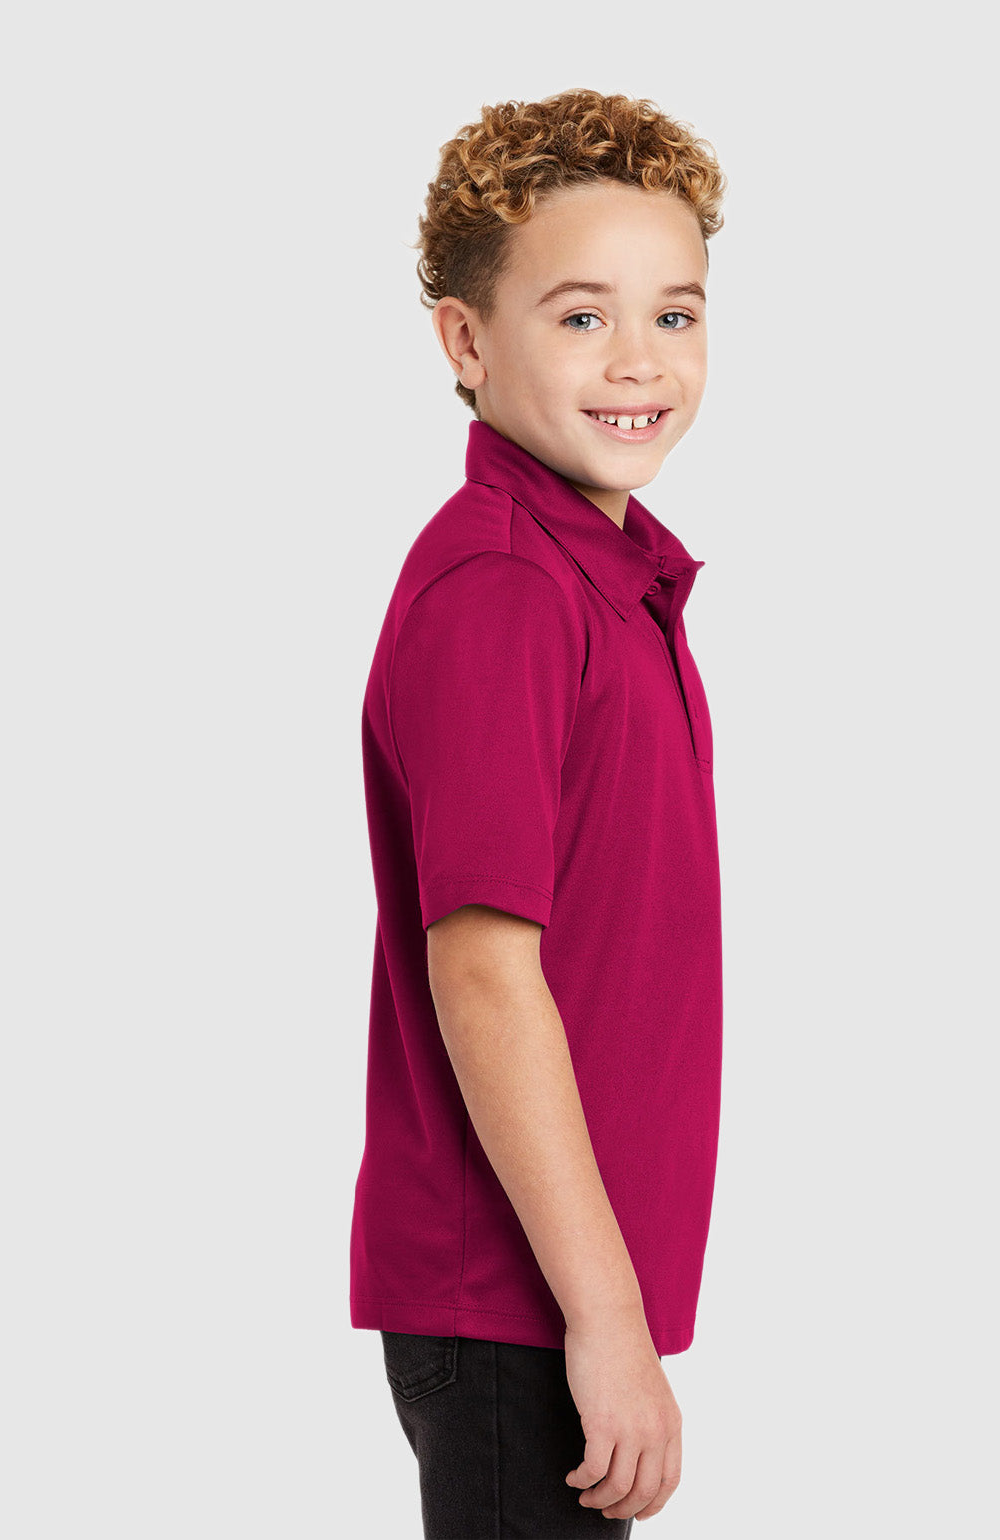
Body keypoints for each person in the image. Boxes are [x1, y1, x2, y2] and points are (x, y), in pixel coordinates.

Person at [349, 86, 727, 1537]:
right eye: (580, 317)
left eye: (674, 314)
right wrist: (606, 1320)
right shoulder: (505, 587)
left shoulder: (604, 578)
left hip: (554, 1294)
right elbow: (485, 968)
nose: (638, 361)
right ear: (465, 341)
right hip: (522, 1302)